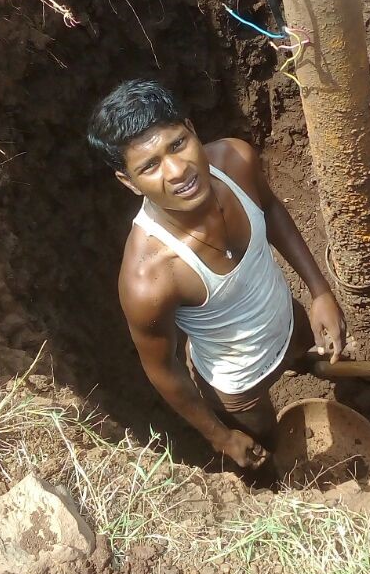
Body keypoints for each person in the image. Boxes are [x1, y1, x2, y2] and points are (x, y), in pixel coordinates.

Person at [87, 79, 347, 471]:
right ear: (128, 182)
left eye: (177, 144)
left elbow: (272, 210)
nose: (177, 171)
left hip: (288, 321)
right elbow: (162, 368)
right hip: (238, 386)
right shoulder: (150, 278)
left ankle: (303, 364)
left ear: (192, 128)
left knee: (309, 356)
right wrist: (220, 436)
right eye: (150, 166)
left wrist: (320, 291)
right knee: (267, 450)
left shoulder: (235, 162)